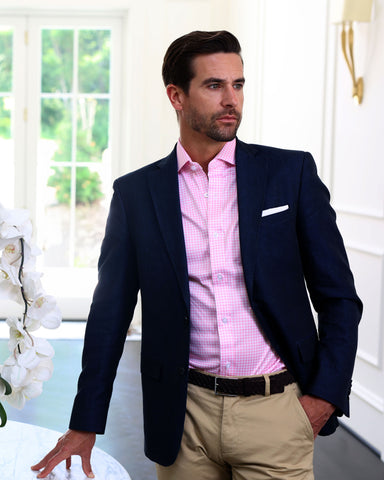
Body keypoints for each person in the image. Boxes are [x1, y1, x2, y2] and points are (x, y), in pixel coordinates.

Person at [32, 30, 362, 480]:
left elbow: (340, 296)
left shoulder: (290, 173)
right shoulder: (137, 194)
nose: (232, 99)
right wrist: (84, 422)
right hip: (184, 421)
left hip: (278, 415)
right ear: (176, 95)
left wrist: (324, 397)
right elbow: (110, 313)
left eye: (238, 84)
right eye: (214, 85)